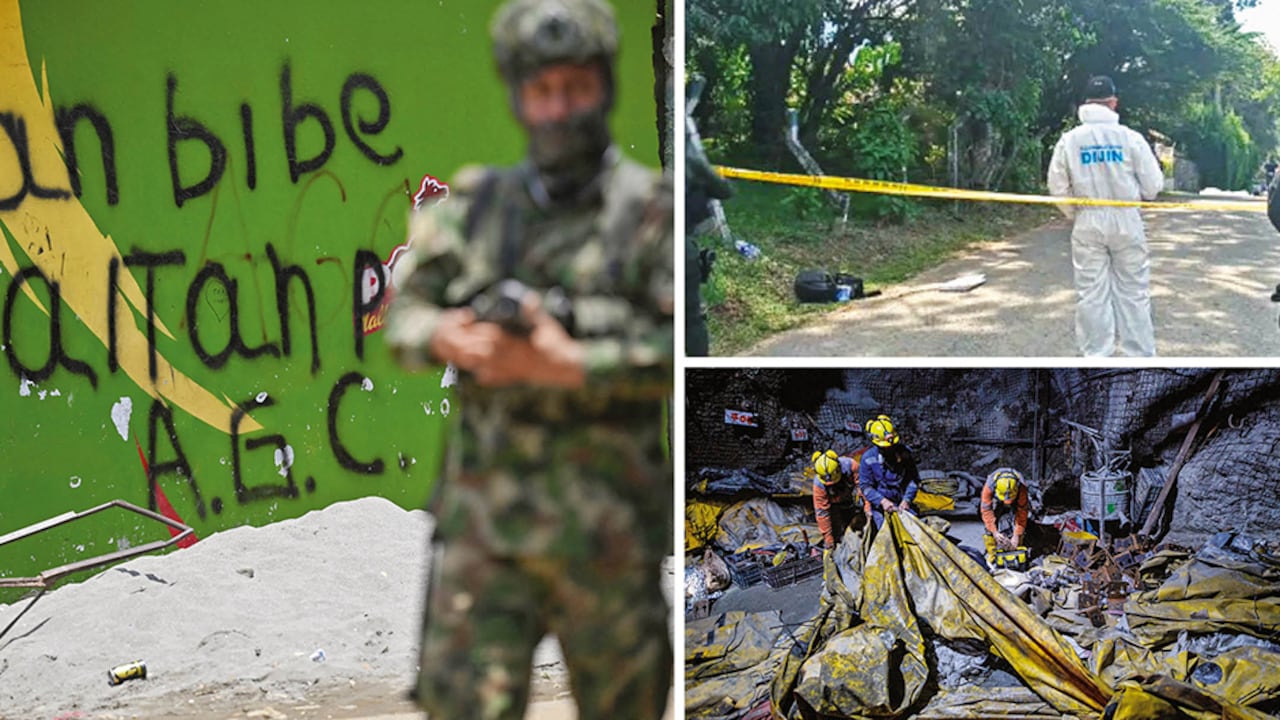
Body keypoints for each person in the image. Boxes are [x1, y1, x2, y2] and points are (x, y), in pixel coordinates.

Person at [384, 1, 674, 718]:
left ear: (604, 87)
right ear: (519, 96)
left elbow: (680, 353)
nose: (559, 109)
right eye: (542, 92)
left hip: (607, 536)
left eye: (575, 88)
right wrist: (451, 336)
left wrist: (570, 362)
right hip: (488, 536)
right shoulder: (477, 206)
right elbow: (403, 318)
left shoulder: (651, 212)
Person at [1047, 75, 1165, 357]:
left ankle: (1096, 356)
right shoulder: (1130, 138)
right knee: (1133, 291)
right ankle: (1140, 357)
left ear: (1086, 103)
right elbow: (1153, 186)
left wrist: (1075, 213)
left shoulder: (1070, 140)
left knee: (1091, 293)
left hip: (1088, 220)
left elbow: (1057, 186)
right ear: (1113, 102)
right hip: (1126, 218)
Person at [857, 415, 920, 532]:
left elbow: (913, 480)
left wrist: (907, 499)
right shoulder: (868, 459)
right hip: (880, 507)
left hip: (902, 503)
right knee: (885, 535)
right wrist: (882, 501)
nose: (889, 449)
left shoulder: (905, 454)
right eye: (885, 447)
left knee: (915, 530)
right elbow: (865, 487)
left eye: (892, 446)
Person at [811, 448, 866, 550]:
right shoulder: (819, 485)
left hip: (850, 500)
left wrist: (867, 507)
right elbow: (822, 512)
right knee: (835, 533)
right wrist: (828, 538)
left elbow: (864, 487)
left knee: (860, 525)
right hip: (833, 506)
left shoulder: (851, 465)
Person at [980, 467, 1030, 565]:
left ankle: (1016, 549)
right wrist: (994, 532)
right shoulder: (989, 487)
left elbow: (1022, 513)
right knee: (990, 525)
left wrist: (1016, 535)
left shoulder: (1021, 487)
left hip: (1017, 498)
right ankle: (993, 555)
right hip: (996, 500)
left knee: (1020, 527)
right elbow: (986, 511)